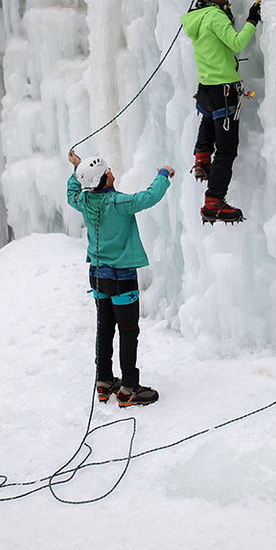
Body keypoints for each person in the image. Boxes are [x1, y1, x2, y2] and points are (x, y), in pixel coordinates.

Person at [67, 149, 174, 407]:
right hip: (122, 278)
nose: (111, 173)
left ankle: (104, 382)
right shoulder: (120, 203)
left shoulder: (84, 201)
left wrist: (77, 168)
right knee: (128, 332)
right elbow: (149, 197)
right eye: (107, 172)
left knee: (105, 330)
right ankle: (129, 387)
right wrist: (163, 174)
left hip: (97, 276)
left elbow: (72, 193)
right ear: (106, 179)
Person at [181, 0, 261, 223]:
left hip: (206, 89)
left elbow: (218, 39)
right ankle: (214, 201)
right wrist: (252, 19)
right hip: (223, 90)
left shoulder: (198, 18)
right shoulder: (214, 17)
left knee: (207, 121)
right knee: (226, 150)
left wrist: (223, 12)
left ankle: (202, 159)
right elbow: (236, 44)